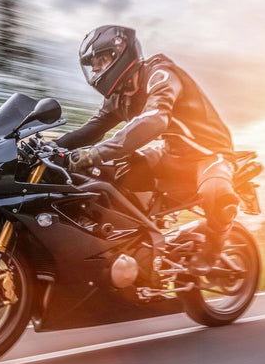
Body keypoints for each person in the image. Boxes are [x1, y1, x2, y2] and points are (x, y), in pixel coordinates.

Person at [56, 25, 239, 275]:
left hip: (210, 153)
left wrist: (95, 153)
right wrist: (49, 148)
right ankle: (138, 241)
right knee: (110, 175)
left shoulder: (160, 74)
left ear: (121, 53)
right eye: (94, 64)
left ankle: (213, 250)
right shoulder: (119, 97)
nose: (96, 69)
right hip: (171, 154)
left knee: (215, 192)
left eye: (101, 60)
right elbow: (89, 131)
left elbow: (154, 119)